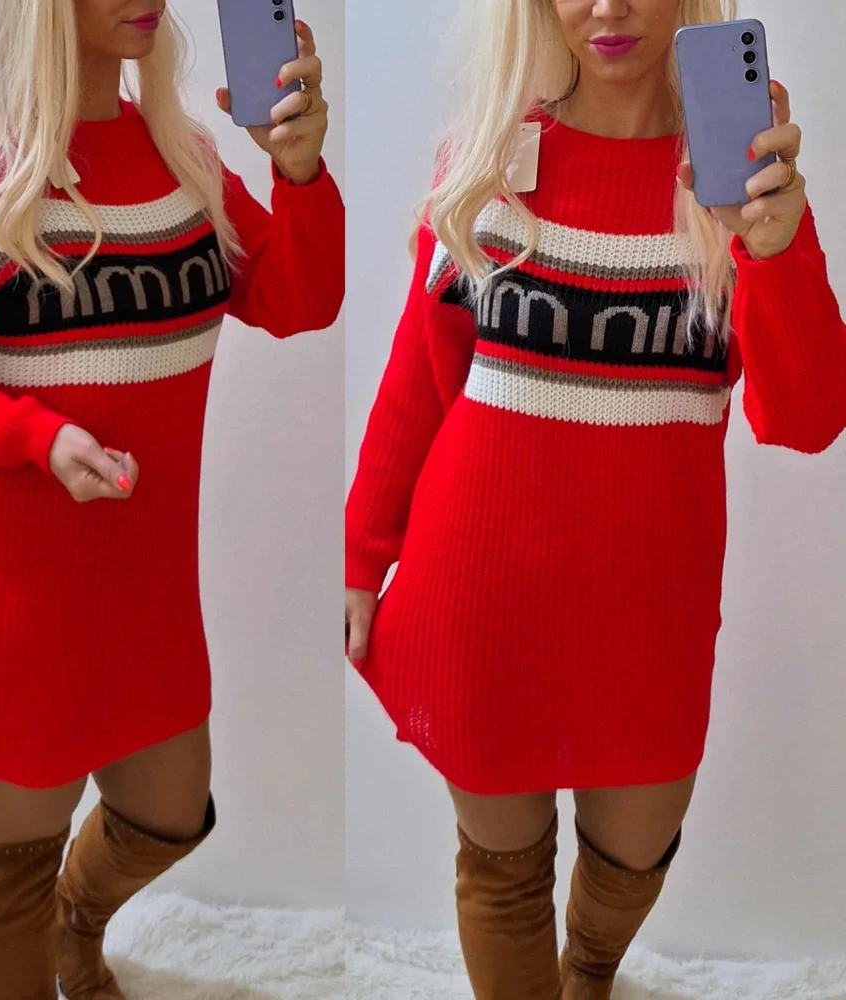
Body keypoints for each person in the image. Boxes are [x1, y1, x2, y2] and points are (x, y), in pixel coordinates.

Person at [344, 1, 843, 997]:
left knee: (631, 858)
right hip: (479, 591)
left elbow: (807, 415)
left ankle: (589, 973)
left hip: (649, 607)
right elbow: (420, 376)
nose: (606, 6)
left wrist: (773, 247)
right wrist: (362, 554)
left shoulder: (738, 185)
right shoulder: (487, 156)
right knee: (501, 874)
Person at [0, 2, 343, 998]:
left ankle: (75, 932)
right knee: (9, 875)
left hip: (144, 596)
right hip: (11, 603)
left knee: (170, 814)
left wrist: (297, 174)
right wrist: (35, 436)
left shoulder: (183, 157)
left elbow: (298, 301)